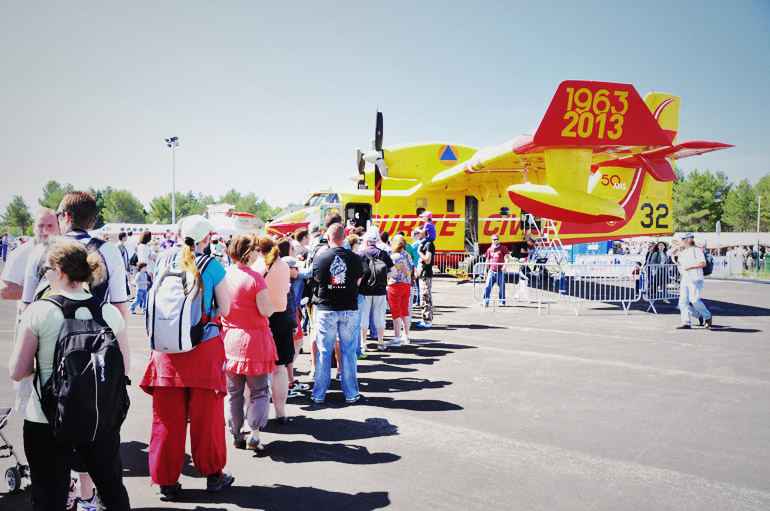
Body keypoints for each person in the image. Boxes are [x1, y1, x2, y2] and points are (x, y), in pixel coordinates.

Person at [9, 238, 131, 511]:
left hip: (47, 418)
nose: (45, 274)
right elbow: (125, 367)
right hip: (100, 416)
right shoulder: (108, 311)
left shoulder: (40, 311)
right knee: (112, 489)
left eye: (46, 269)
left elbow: (17, 371)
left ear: (59, 271)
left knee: (49, 495)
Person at [139, 215, 234, 501]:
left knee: (167, 419)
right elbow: (224, 310)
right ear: (207, 239)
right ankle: (214, 476)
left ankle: (166, 481)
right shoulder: (212, 265)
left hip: (166, 352)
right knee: (208, 418)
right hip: (203, 349)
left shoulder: (164, 261)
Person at [1, 208, 60, 415]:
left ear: (60, 226)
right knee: (27, 379)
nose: (44, 230)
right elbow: (4, 290)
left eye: (50, 225)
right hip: (29, 324)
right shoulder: (22, 253)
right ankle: (29, 418)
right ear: (33, 227)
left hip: (57, 327)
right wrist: (41, 289)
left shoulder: (65, 250)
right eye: (40, 226)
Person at [221, 234, 276, 452]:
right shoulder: (255, 278)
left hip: (230, 339)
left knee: (233, 392)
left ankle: (236, 434)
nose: (257, 252)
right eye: (255, 248)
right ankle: (254, 435)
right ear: (247, 252)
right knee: (259, 390)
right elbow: (265, 310)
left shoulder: (224, 275)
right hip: (254, 342)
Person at [311, 223, 364, 404]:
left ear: (328, 236)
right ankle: (351, 393)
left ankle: (318, 394)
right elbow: (358, 282)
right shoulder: (356, 259)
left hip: (326, 309)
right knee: (349, 352)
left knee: (324, 352)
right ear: (344, 236)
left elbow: (317, 279)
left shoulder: (320, 258)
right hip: (349, 307)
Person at [252, 235, 294, 424]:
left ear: (258, 249)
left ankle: (255, 416)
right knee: (280, 369)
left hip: (261, 319)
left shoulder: (256, 268)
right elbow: (286, 290)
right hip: (282, 318)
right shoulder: (284, 265)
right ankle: (281, 413)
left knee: (258, 371)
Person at [358, 225, 395, 351]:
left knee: (364, 315)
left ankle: (363, 343)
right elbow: (393, 271)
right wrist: (383, 278)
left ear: (366, 241)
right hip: (380, 289)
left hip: (364, 289)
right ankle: (380, 342)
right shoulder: (383, 254)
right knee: (379, 315)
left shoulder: (361, 254)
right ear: (376, 241)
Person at [675, 233, 713, 329]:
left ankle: (707, 316)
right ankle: (686, 322)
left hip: (695, 278)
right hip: (685, 278)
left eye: (683, 239)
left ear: (689, 240)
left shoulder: (697, 250)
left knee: (694, 299)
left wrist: (691, 267)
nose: (682, 241)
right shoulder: (684, 251)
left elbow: (703, 263)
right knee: (683, 301)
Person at [387, 234, 414, 345]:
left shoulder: (393, 256)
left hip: (395, 284)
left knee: (396, 312)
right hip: (406, 284)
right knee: (405, 310)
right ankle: (406, 335)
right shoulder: (408, 255)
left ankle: (397, 338)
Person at [416, 228, 436, 328]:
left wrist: (419, 252)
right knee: (424, 297)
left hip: (425, 273)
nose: (418, 234)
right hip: (423, 273)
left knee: (425, 296)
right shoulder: (426, 243)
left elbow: (427, 260)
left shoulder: (428, 244)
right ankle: (425, 318)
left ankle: (427, 320)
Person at [483, 234, 510, 307]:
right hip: (492, 271)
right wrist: (485, 269)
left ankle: (502, 302)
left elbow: (507, 257)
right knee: (487, 286)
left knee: (502, 287)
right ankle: (485, 301)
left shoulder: (503, 248)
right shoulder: (489, 249)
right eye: (494, 239)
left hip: (500, 271)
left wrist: (505, 266)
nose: (496, 241)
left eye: (497, 239)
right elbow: (487, 260)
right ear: (492, 240)